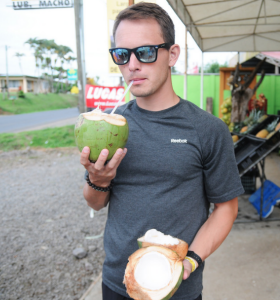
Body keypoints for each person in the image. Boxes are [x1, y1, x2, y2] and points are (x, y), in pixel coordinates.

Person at [80, 3, 244, 300]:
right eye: (122, 54)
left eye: (145, 52)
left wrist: (191, 260)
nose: (132, 65)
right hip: (117, 284)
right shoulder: (111, 127)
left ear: (173, 55)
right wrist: (99, 179)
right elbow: (95, 203)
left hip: (177, 286)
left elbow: (226, 208)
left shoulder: (206, 129)